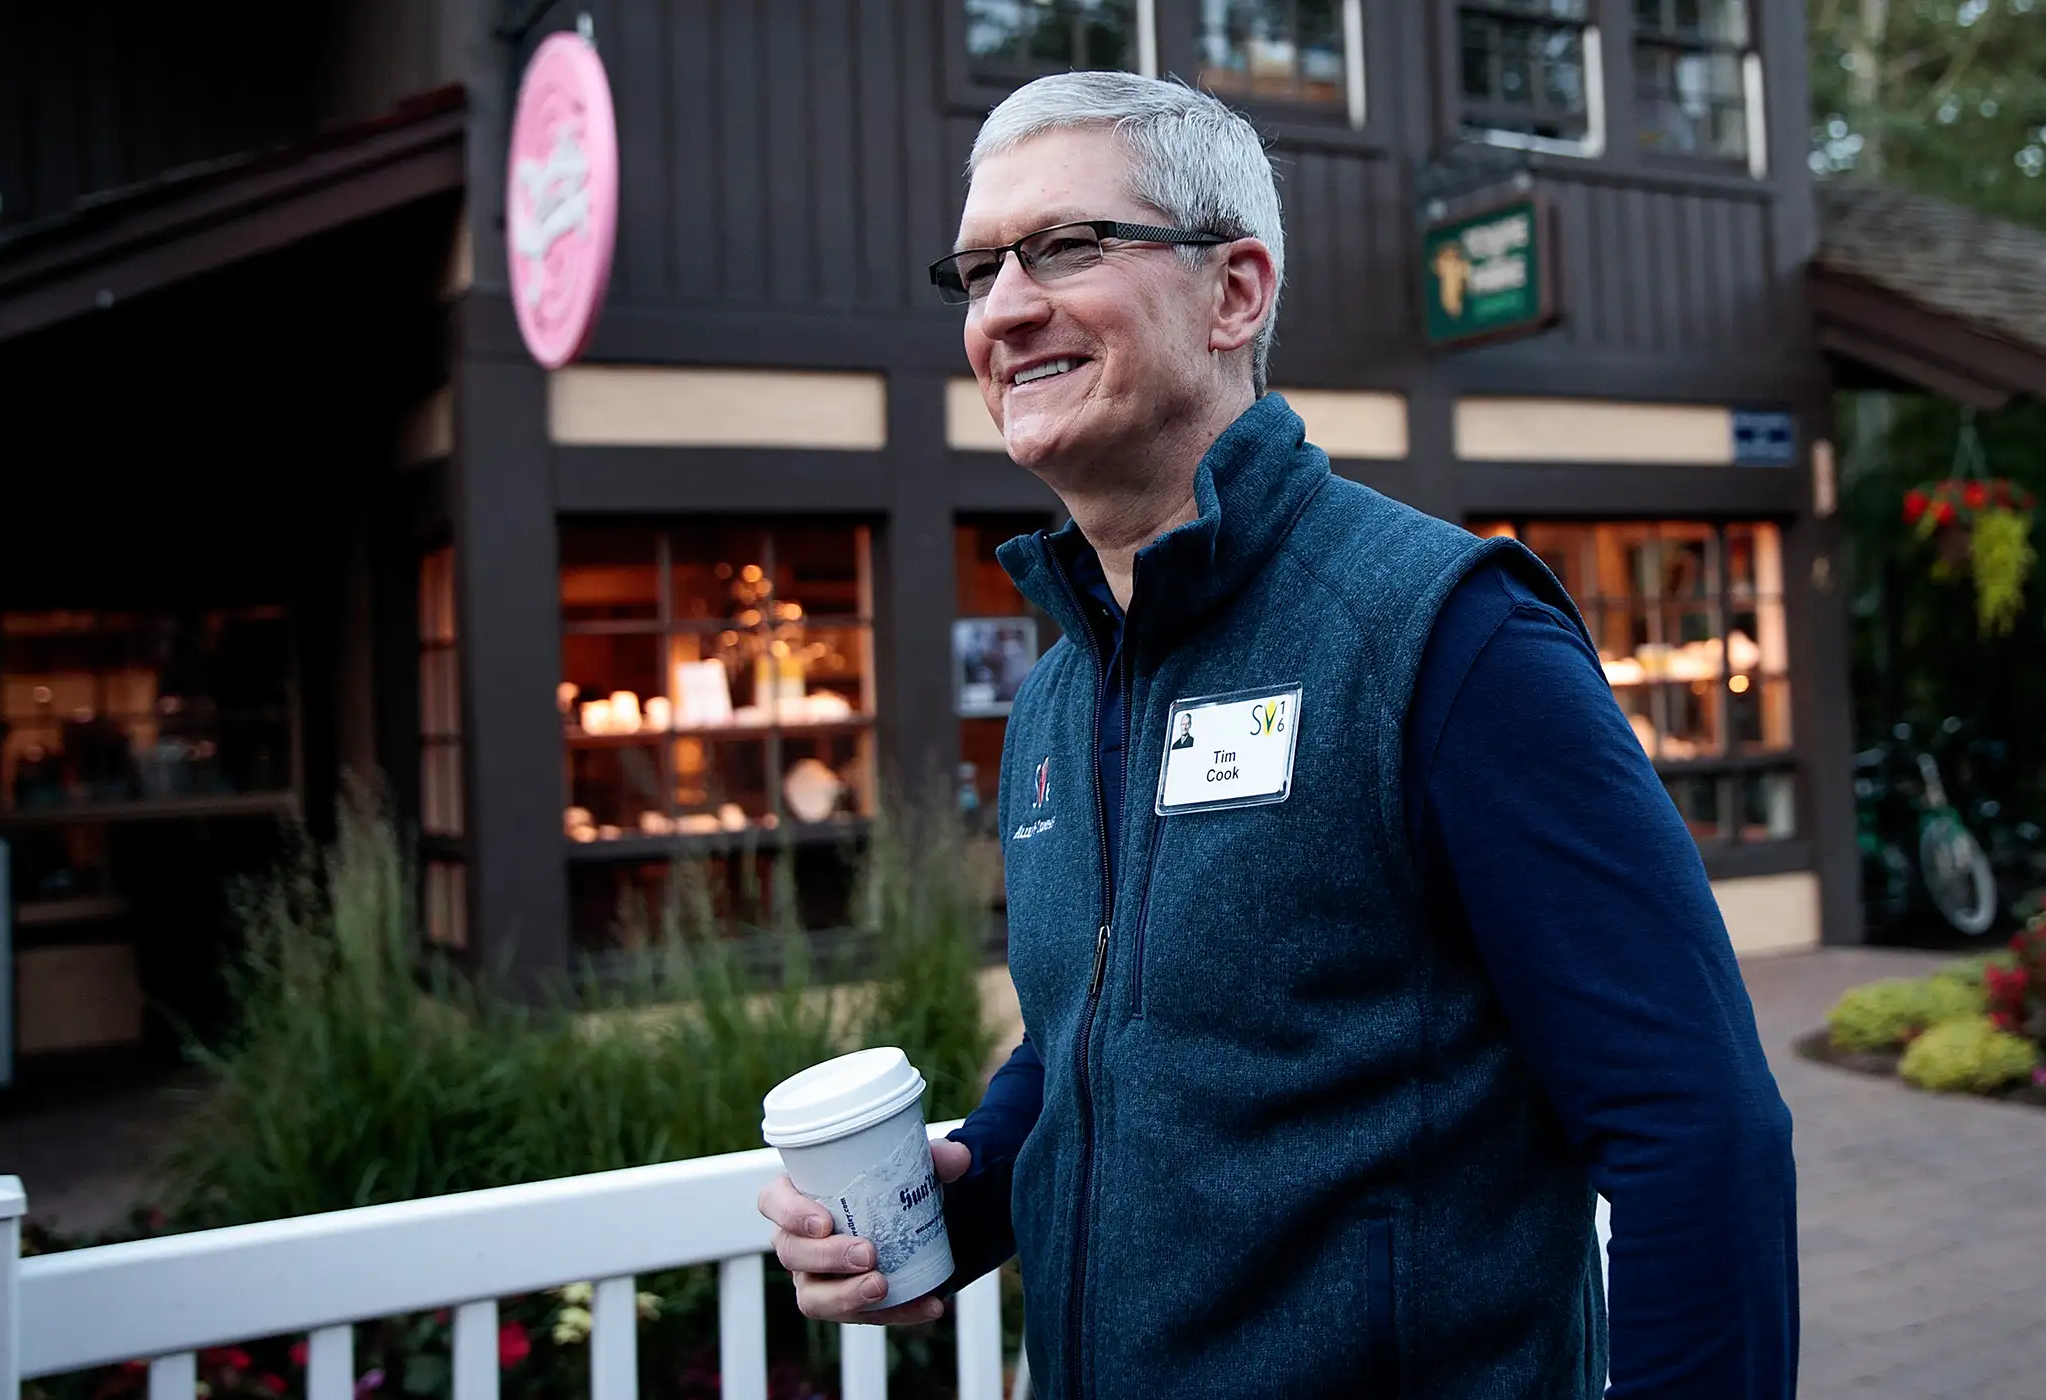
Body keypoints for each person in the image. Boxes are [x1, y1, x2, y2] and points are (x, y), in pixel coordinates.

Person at [759, 71, 1797, 1399]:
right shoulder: (1061, 697)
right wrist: (952, 1208)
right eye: (975, 272)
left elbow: (1697, 1134)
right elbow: (1106, 1027)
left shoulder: (1448, 639)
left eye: (1067, 247)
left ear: (1235, 292)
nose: (1006, 309)